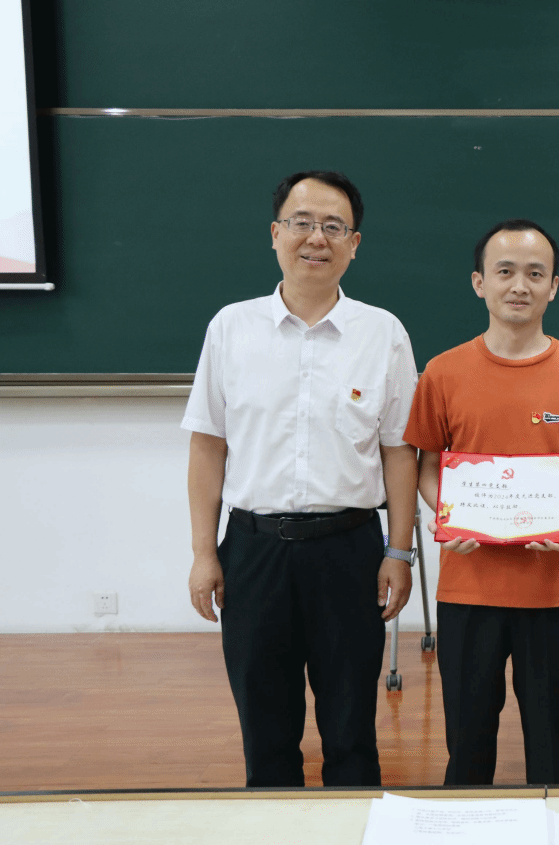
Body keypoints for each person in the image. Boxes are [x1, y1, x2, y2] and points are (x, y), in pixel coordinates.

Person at [183, 171, 419, 787]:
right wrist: (204, 553)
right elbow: (208, 447)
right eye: (302, 223)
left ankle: (353, 823)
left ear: (354, 244)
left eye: (333, 227)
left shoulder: (384, 334)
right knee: (265, 734)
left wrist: (399, 552)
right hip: (253, 552)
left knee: (351, 732)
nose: (317, 238)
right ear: (275, 234)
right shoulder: (231, 327)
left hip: (350, 551)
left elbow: (400, 451)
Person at [404, 219, 559, 785]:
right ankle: (467, 822)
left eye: (535, 274)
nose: (519, 286)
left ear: (553, 287)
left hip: (552, 588)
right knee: (467, 742)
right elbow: (426, 467)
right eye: (504, 271)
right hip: (468, 585)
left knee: (552, 742)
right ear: (479, 282)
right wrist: (447, 515)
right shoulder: (443, 372)